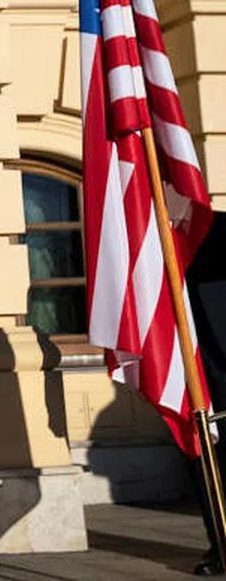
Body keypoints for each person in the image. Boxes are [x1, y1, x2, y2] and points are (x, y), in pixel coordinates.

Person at [186, 211, 226, 576]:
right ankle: (220, 544)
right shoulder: (145, 238)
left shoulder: (221, 229)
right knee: (203, 462)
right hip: (189, 374)